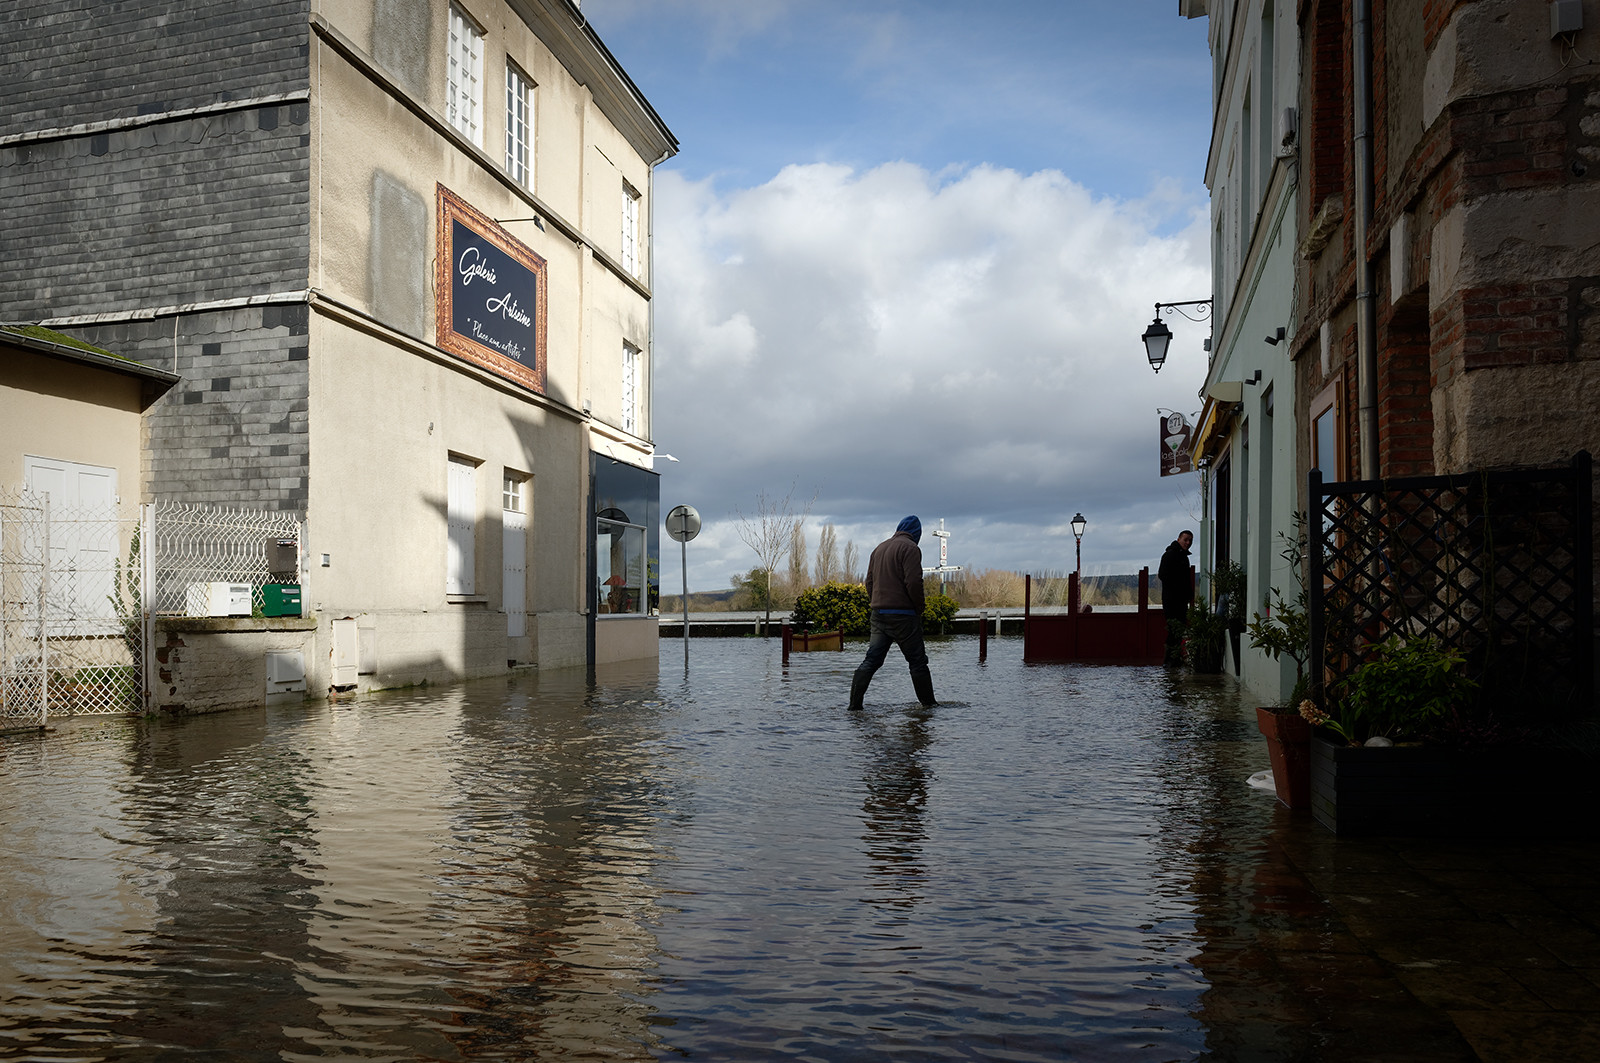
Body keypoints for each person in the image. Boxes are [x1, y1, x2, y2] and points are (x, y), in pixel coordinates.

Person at [849, 516, 936, 709]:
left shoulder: (879, 548)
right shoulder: (911, 548)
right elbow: (913, 582)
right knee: (917, 662)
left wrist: (875, 602)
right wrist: (919, 607)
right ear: (917, 533)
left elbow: (869, 582)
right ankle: (929, 708)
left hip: (878, 614)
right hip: (903, 616)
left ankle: (854, 706)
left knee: (872, 660)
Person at [1158, 530, 1195, 665]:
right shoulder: (1170, 555)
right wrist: (1180, 589)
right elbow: (1163, 575)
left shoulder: (1183, 557)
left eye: (1190, 540)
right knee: (1174, 629)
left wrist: (1187, 594)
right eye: (1186, 540)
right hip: (1172, 600)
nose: (1188, 543)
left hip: (1180, 600)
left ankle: (1173, 659)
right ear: (1179, 539)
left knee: (1177, 629)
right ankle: (1170, 660)